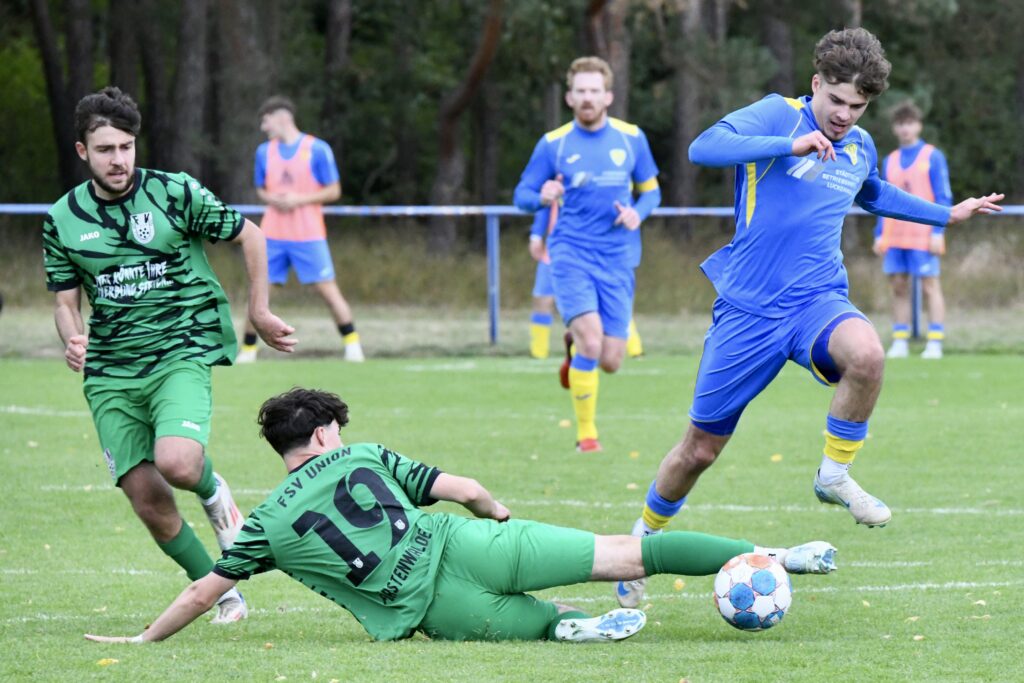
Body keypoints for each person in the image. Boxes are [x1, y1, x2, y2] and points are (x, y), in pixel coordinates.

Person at [614, 28, 1003, 608]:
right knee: (698, 450)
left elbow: (873, 193)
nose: (844, 115)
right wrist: (788, 146)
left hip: (816, 300)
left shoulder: (860, 145)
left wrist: (945, 214)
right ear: (816, 83)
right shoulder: (778, 115)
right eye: (836, 100)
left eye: (857, 106)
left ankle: (833, 475)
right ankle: (636, 545)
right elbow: (703, 148)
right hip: (747, 311)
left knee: (867, 354)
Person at [84, 387, 838, 645]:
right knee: (627, 552)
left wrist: (143, 638)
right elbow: (464, 486)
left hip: (430, 609)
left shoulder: (266, 527)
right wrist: (496, 511)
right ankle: (772, 554)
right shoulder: (362, 456)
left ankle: (568, 626)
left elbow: (204, 591)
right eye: (334, 430)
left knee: (539, 625)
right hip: (469, 542)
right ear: (319, 437)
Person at [43, 86, 297, 623]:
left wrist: (258, 309)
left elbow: (251, 235)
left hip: (179, 351)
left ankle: (212, 490)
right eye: (106, 149)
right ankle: (222, 592)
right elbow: (66, 303)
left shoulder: (174, 193)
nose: (119, 159)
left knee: (178, 463)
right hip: (110, 372)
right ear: (82, 151)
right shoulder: (62, 218)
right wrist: (73, 336)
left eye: (126, 147)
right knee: (148, 502)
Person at [514, 57, 661, 452]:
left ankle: (573, 344)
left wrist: (638, 212)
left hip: (618, 257)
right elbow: (521, 195)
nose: (587, 98)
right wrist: (540, 195)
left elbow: (652, 192)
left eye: (595, 91)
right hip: (570, 254)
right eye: (580, 91)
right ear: (569, 97)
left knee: (611, 360)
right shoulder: (554, 143)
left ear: (608, 96)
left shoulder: (631, 138)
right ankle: (586, 436)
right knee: (592, 346)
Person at [236, 96, 364, 364]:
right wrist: (273, 199)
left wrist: (299, 200)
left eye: (266, 121)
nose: (263, 127)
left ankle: (353, 347)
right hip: (272, 235)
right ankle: (247, 351)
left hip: (308, 234)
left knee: (328, 291)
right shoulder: (264, 152)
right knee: (259, 293)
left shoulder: (317, 149)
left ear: (283, 117)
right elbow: (261, 189)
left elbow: (334, 190)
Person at [873, 101, 953, 359]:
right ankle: (900, 340)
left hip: (923, 235)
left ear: (918, 125)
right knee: (898, 286)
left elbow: (943, 196)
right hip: (895, 236)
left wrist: (938, 232)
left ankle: (935, 341)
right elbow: (883, 200)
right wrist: (879, 234)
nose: (905, 129)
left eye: (909, 123)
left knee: (930, 286)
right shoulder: (891, 160)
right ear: (894, 128)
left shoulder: (933, 156)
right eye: (900, 124)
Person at [528, 204, 644, 360]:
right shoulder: (559, 190)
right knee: (544, 299)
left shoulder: (611, 194)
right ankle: (539, 353)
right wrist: (536, 235)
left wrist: (637, 214)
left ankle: (634, 349)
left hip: (598, 253)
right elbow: (535, 200)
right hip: (558, 251)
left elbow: (649, 198)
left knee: (612, 301)